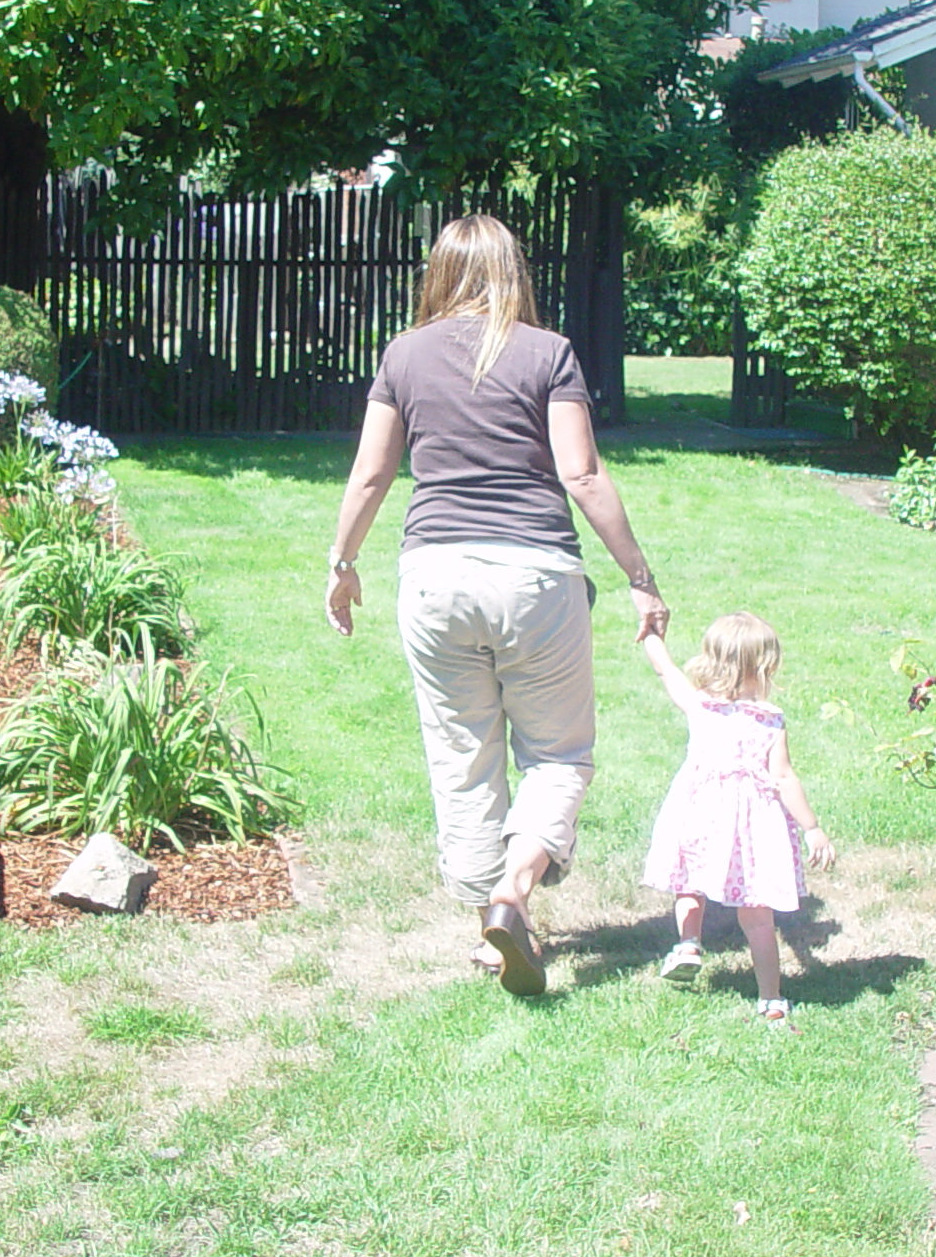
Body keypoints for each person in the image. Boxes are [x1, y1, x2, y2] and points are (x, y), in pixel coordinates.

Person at [327, 213, 667, 995]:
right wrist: (639, 578)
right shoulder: (548, 353)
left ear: (440, 273)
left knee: (462, 757)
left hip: (435, 579)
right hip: (536, 578)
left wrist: (343, 565)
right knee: (557, 755)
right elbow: (581, 475)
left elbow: (372, 475)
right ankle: (514, 893)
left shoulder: (403, 354)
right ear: (514, 271)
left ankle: (491, 925)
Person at [637, 612, 836, 1023]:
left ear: (712, 660)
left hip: (699, 809)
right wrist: (812, 828)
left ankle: (689, 944)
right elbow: (782, 777)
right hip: (752, 822)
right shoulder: (769, 720)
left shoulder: (698, 705)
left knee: (689, 883)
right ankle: (770, 1000)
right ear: (765, 666)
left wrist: (651, 634)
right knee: (757, 910)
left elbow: (665, 669)